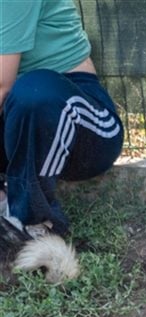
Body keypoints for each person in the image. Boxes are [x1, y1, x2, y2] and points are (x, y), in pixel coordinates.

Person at [1, 0, 124, 283]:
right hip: (14, 117)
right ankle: (6, 211)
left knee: (34, 92)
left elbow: (1, 85)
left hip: (80, 119)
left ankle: (34, 221)